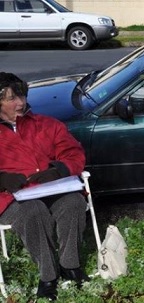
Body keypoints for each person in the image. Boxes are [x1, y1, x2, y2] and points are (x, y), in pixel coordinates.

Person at [0, 72, 90, 300]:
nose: (20, 103)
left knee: (73, 202)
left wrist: (58, 169)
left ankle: (70, 265)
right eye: (11, 99)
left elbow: (73, 153)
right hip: (12, 198)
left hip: (52, 189)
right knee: (34, 212)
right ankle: (48, 276)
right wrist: (2, 178)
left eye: (21, 96)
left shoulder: (47, 125)